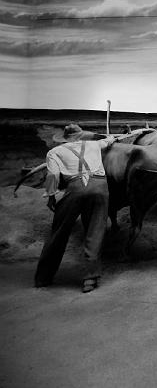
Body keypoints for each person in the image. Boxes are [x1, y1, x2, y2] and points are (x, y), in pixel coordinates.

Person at [35, 124, 115, 293]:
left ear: (65, 138)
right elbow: (108, 141)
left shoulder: (55, 152)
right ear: (81, 136)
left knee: (59, 231)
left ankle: (44, 277)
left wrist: (51, 195)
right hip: (100, 187)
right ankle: (90, 279)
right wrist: (110, 137)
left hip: (76, 187)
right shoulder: (94, 145)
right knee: (95, 232)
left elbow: (53, 175)